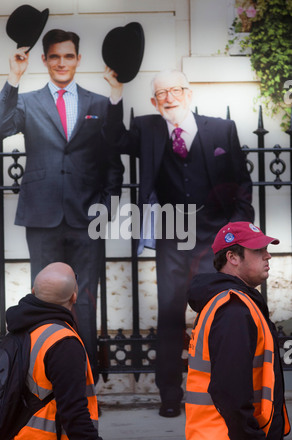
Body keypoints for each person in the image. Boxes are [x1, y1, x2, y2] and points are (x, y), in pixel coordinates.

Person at [103, 67, 254, 417]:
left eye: (175, 90)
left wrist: (236, 231)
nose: (169, 97)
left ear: (188, 93)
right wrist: (114, 94)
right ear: (154, 102)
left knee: (220, 313)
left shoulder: (221, 128)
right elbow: (114, 140)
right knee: (171, 315)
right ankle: (170, 395)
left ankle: (225, 392)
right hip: (174, 233)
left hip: (216, 235)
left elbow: (241, 182)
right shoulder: (148, 129)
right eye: (161, 94)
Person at [0, 29, 124, 382]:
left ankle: (84, 375)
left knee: (84, 298)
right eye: (54, 56)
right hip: (42, 214)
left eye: (68, 56)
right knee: (48, 297)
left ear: (78, 60)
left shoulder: (98, 104)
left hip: (87, 216)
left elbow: (113, 157)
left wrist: (106, 205)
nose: (61, 62)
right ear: (45, 60)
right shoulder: (28, 101)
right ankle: (49, 375)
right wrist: (13, 79)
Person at [185, 221, 290, 440]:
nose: (268, 256)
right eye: (258, 250)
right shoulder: (233, 310)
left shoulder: (230, 303)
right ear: (232, 257)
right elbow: (228, 390)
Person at [2, 262, 104, 440]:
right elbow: (74, 411)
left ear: (33, 291)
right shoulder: (63, 342)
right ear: (74, 297)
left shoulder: (19, 330)